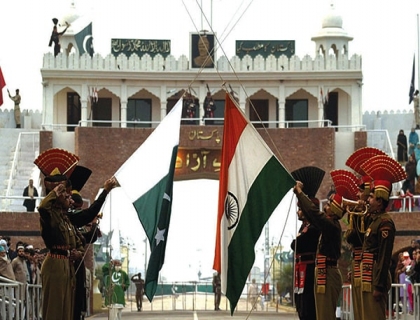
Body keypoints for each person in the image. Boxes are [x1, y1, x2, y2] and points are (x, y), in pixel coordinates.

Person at [358, 154, 407, 320]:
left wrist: (379, 285)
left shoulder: (385, 223)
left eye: (371, 197)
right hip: (368, 274)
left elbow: (385, 255)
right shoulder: (374, 221)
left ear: (380, 201)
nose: (368, 200)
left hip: (376, 276)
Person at [293, 181, 343, 320]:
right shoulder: (328, 225)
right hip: (323, 271)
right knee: (321, 314)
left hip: (328, 272)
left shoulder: (330, 225)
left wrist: (299, 193)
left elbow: (313, 213)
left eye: (329, 205)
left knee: (325, 315)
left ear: (336, 210)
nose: (325, 207)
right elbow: (312, 215)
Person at [38, 181, 85, 320]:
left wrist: (79, 253)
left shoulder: (66, 220)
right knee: (54, 309)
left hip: (67, 265)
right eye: (64, 195)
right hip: (54, 264)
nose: (68, 197)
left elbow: (79, 244)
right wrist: (54, 192)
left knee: (66, 310)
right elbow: (42, 208)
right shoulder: (50, 216)